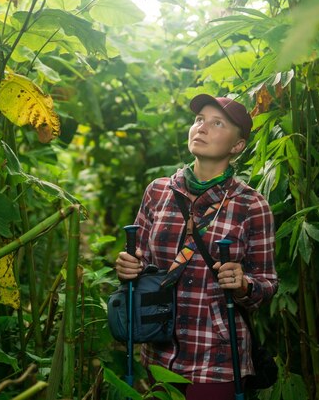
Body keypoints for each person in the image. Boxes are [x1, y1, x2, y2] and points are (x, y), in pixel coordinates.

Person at [115, 94, 278, 399]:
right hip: (158, 351)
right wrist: (128, 266)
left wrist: (243, 284)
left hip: (216, 357)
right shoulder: (158, 192)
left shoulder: (251, 205)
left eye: (217, 123)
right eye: (199, 119)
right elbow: (143, 263)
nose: (201, 128)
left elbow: (266, 285)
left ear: (237, 146)